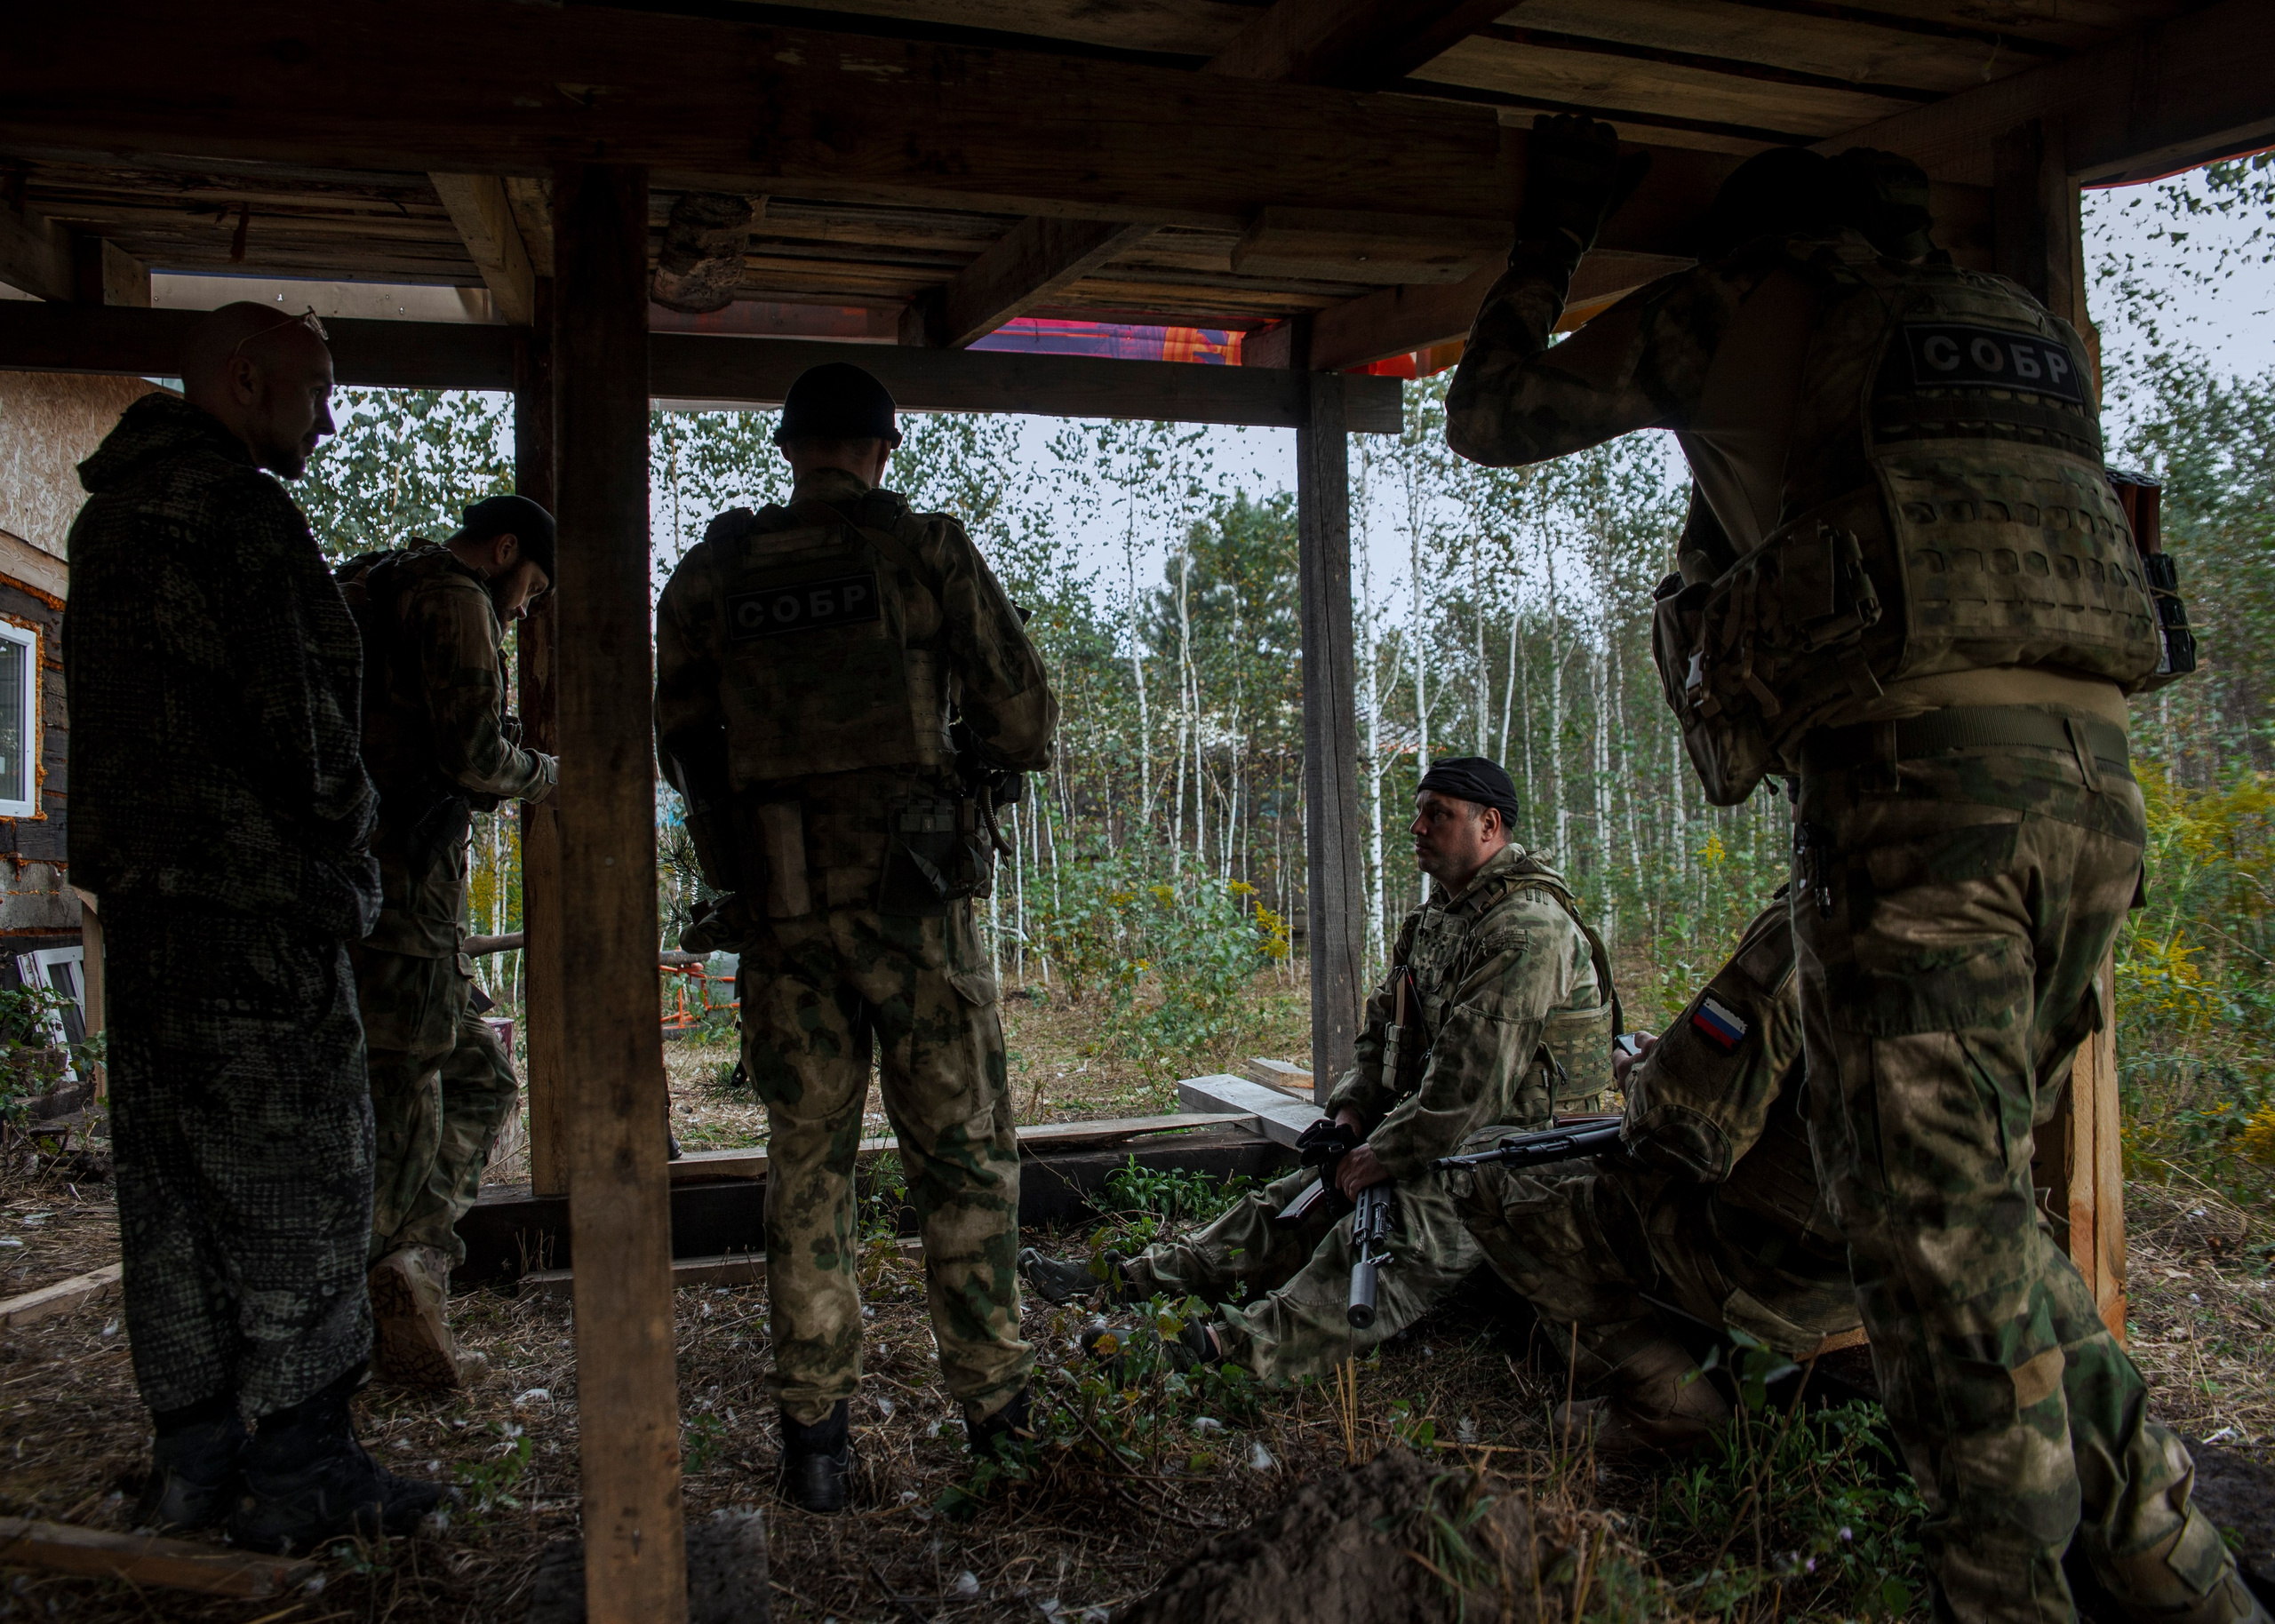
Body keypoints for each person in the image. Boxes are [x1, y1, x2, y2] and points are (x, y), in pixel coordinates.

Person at [1445, 122, 2263, 1624]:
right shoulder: (2009, 328)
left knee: (1926, 1251)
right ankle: (2172, 1566)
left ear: (1756, 237)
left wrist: (1553, 239)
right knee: (1988, 1220)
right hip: (2093, 797)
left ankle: (2006, 1593)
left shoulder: (1744, 304)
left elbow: (1492, 412)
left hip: (1919, 802)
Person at [65, 303, 443, 1551]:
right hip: (257, 919)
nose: (330, 417)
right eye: (318, 389)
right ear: (245, 379)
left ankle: (195, 1462)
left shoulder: (109, 520)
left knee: (169, 1191)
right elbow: (308, 733)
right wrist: (353, 873)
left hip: (150, 922)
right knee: (300, 1183)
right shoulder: (238, 518)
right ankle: (301, 1473)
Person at [653, 362, 1058, 1514]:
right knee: (964, 1162)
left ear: (789, 450)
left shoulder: (717, 572)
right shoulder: (924, 552)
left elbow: (684, 742)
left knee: (807, 1172)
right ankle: (995, 1427)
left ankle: (815, 1449)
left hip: (786, 920)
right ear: (883, 450)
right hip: (917, 911)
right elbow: (1022, 719)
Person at [1022, 756, 1616, 1388]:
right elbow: (1386, 1032)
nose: (1416, 827)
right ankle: (1133, 1279)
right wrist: (1351, 1115)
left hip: (1519, 1153)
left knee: (1390, 1231)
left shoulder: (1527, 929)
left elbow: (1471, 1085)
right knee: (1294, 1200)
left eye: (1436, 814)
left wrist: (1384, 1154)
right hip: (1442, 1133)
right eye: (1418, 811)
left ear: (1489, 825)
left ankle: (1226, 1350)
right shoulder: (1437, 921)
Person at [1453, 890, 1858, 1455]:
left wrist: (1638, 1075)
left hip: (1774, 1274)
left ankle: (1664, 1404)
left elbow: (1685, 1139)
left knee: (1487, 1166)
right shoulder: (1998, 924)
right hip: (1901, 1275)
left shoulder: (1819, 916)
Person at [335, 496, 557, 1389]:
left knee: (474, 1074)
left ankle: (415, 1259)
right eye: (530, 589)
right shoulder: (453, 596)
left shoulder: (376, 579)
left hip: (358, 883)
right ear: (505, 550)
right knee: (409, 1092)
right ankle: (385, 1284)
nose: (522, 610)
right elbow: (471, 758)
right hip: (407, 894)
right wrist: (546, 774)